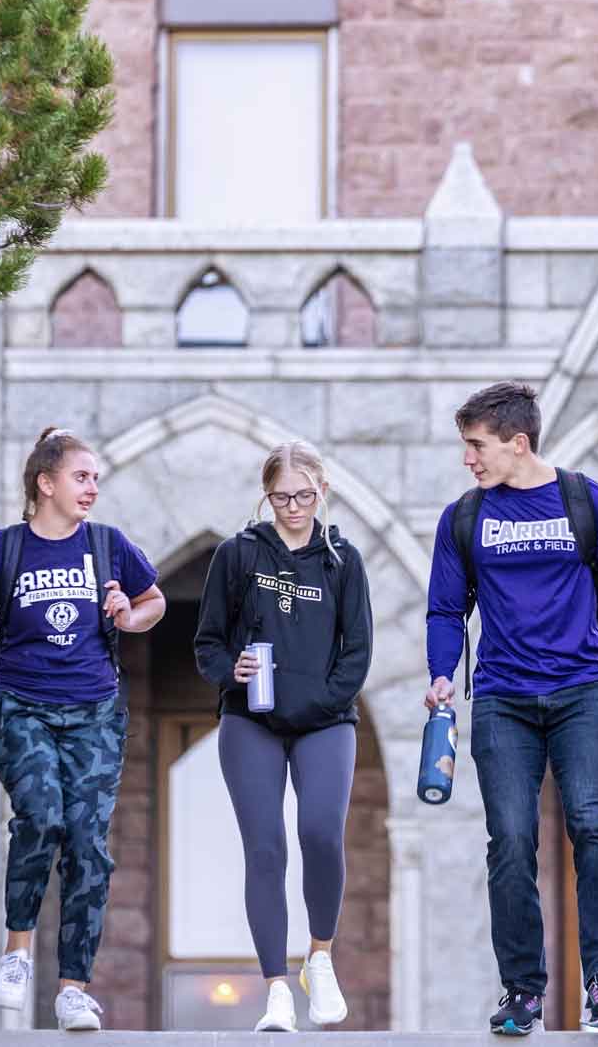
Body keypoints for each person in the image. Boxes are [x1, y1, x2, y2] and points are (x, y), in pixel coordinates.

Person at [425, 382, 598, 1036]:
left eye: (476, 446)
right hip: (502, 700)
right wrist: (442, 672)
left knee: (593, 827)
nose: (468, 459)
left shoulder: (591, 506)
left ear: (516, 441)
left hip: (582, 694)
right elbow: (447, 607)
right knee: (509, 840)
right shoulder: (464, 518)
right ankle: (522, 992)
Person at [0, 427, 165, 1032]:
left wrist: (128, 615)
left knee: (88, 843)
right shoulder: (4, 550)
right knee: (44, 816)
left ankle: (74, 987)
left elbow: (153, 600)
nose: (91, 489)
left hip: (95, 712)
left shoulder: (107, 545)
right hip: (19, 707)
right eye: (81, 477)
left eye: (96, 480)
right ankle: (18, 953)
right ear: (44, 483)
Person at [194, 441, 373, 1032]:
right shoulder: (237, 555)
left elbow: (358, 652)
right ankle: (275, 987)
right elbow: (208, 643)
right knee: (265, 847)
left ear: (323, 491)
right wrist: (232, 673)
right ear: (265, 495)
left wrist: (321, 701)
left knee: (321, 832)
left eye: (303, 495)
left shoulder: (342, 560)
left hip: (325, 721)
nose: (292, 506)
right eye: (280, 496)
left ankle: (319, 958)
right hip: (251, 721)